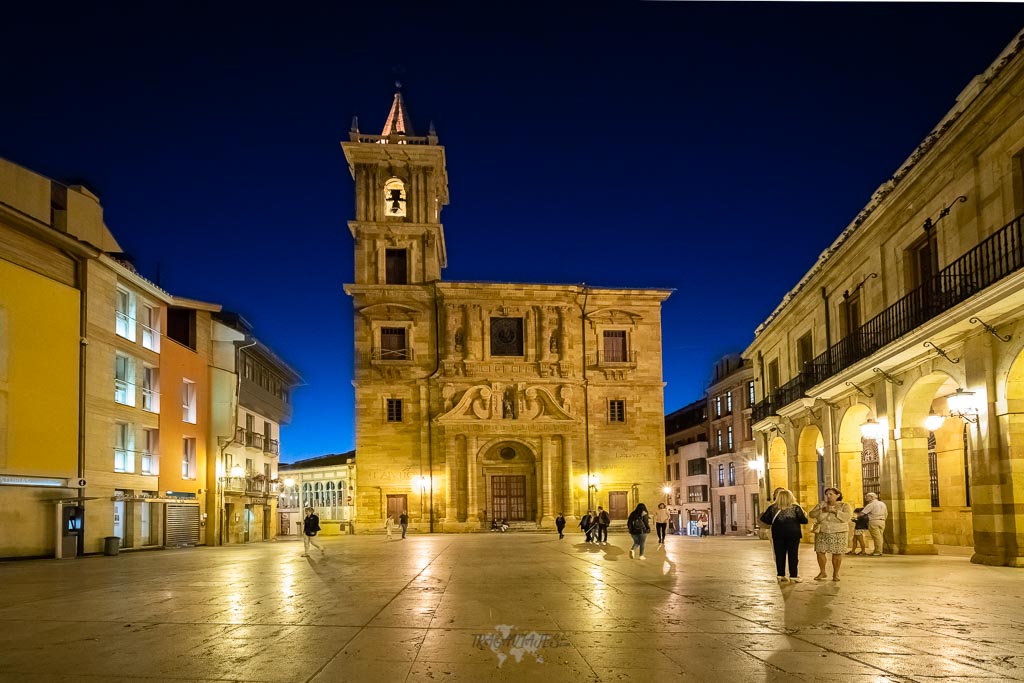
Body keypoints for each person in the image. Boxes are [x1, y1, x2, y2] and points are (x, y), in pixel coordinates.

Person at [759, 488, 807, 583]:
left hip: (778, 534)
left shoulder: (772, 508)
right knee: (793, 555)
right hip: (793, 534)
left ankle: (780, 575)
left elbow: (765, 519)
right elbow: (804, 520)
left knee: (779, 555)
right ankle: (793, 576)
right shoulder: (795, 508)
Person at [810, 487, 852, 581]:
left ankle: (836, 573)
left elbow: (847, 517)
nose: (828, 496)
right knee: (820, 551)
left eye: (831, 494)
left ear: (838, 495)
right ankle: (822, 572)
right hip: (822, 531)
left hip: (838, 531)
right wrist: (822, 510)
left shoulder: (844, 505)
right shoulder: (821, 504)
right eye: (827, 494)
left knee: (837, 552)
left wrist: (835, 511)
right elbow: (811, 514)